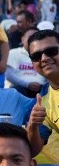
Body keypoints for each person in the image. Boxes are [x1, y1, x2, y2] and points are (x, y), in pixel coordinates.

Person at [26, 29, 59, 157]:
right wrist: (33, 126)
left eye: (51, 51)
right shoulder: (41, 102)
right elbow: (34, 150)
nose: (44, 58)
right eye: (36, 56)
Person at [5, 27, 46, 98]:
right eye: (30, 37)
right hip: (19, 89)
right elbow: (9, 75)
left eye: (37, 37)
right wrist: (28, 84)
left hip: (41, 90)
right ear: (22, 39)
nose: (33, 40)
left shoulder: (45, 56)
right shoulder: (14, 53)